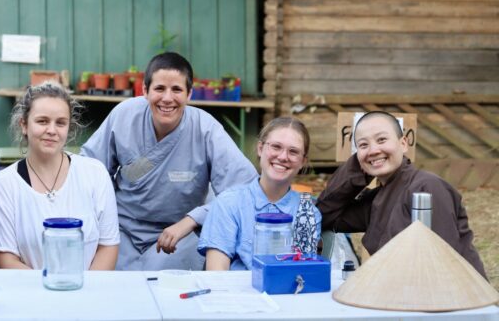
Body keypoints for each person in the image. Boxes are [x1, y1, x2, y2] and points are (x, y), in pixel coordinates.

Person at [81, 52, 258, 270]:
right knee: (108, 282)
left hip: (180, 235)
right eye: (159, 89)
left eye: (176, 90)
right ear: (145, 90)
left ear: (189, 93)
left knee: (166, 285)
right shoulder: (124, 115)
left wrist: (192, 220)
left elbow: (245, 191)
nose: (167, 98)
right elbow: (89, 170)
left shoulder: (206, 130)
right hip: (120, 230)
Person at [316, 111, 487, 277]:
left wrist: (370, 157)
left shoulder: (426, 187)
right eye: (363, 145)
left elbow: (441, 265)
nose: (373, 150)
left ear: (403, 143)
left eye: (381, 140)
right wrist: (360, 166)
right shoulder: (377, 197)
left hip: (453, 292)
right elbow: (323, 217)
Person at [0, 82, 120, 270]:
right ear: (24, 125)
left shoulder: (95, 174)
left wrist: (82, 286)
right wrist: (51, 285)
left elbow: (108, 246)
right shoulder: (5, 184)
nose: (51, 130)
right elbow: (7, 259)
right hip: (28, 289)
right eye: (42, 121)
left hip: (89, 288)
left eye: (60, 123)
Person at [198, 117, 322, 270]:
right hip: (236, 286)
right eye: (276, 147)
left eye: (293, 151)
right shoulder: (229, 203)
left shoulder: (308, 213)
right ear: (260, 148)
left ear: (303, 161)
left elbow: (303, 272)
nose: (283, 157)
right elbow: (217, 274)